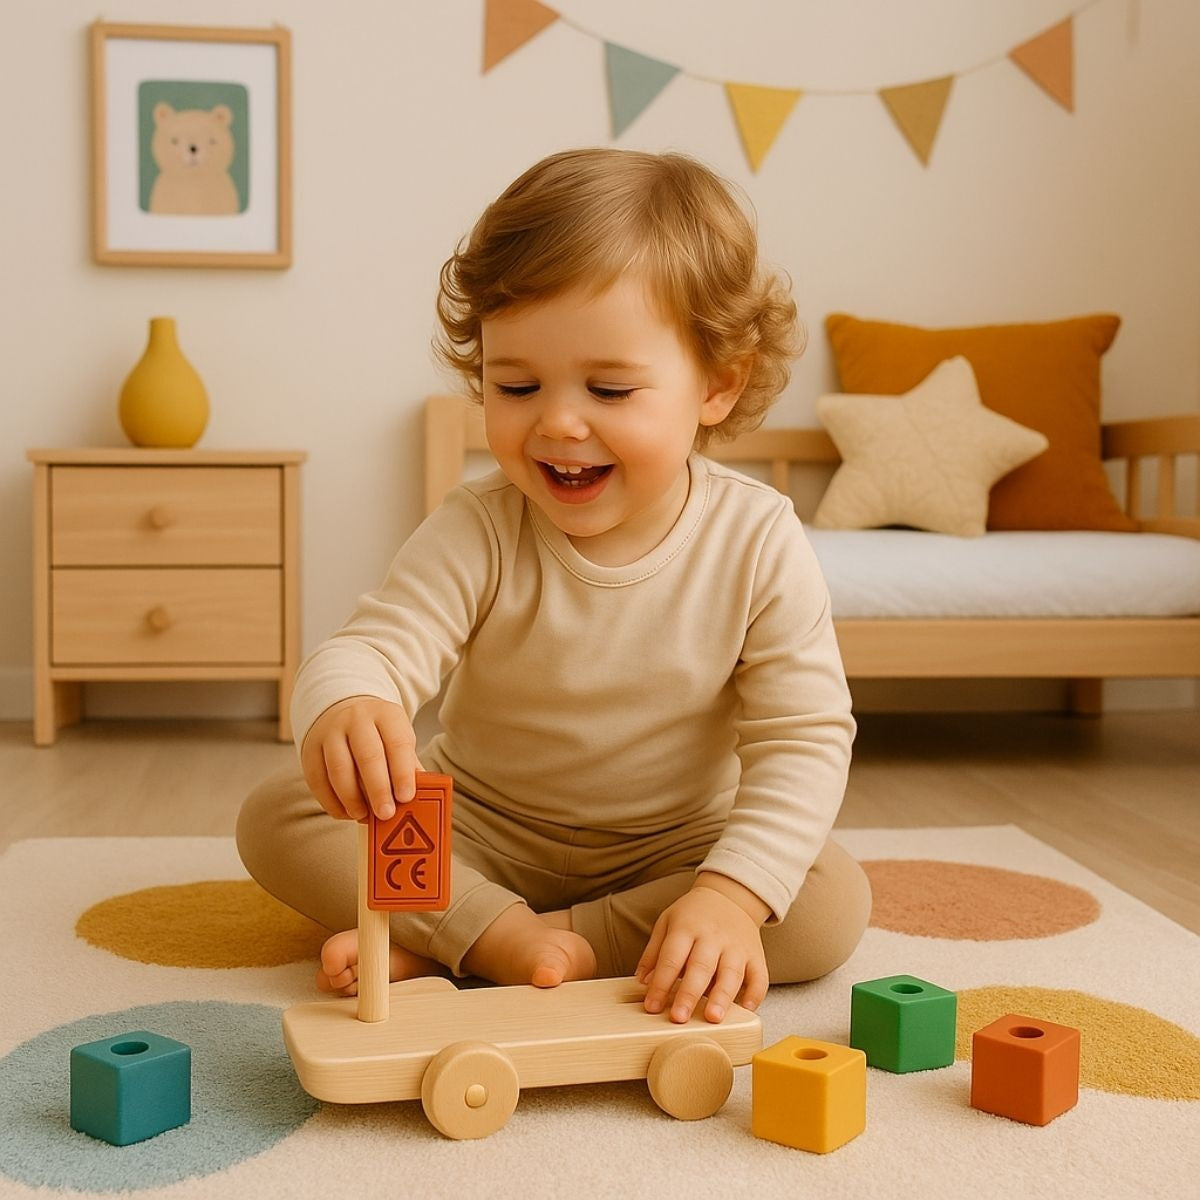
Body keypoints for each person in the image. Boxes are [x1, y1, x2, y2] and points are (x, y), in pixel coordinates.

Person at [237, 147, 871, 1026]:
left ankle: (522, 941)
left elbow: (802, 737)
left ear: (717, 386)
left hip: (672, 847)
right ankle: (493, 929)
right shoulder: (481, 526)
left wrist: (728, 895)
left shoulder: (757, 538)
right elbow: (376, 646)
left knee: (828, 899)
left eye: (609, 388)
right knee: (280, 813)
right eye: (517, 384)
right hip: (483, 833)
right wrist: (351, 704)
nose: (559, 422)